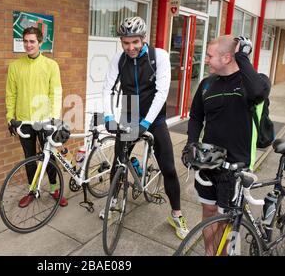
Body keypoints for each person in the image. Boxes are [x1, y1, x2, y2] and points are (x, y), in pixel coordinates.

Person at [101, 16, 189, 240]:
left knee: (168, 166)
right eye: (125, 43)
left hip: (155, 117)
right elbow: (107, 88)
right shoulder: (119, 59)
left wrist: (146, 123)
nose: (130, 48)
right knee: (118, 162)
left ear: (143, 39)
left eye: (135, 42)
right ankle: (113, 204)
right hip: (129, 112)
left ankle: (176, 215)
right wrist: (109, 116)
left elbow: (161, 93)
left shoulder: (158, 57)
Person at [182, 35, 271, 254]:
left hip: (236, 165)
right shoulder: (206, 84)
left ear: (227, 57)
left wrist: (243, 56)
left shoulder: (252, 82)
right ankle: (210, 252)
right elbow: (195, 117)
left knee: (228, 219)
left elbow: (259, 93)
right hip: (209, 160)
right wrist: (191, 143)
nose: (206, 60)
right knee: (209, 210)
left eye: (210, 56)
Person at [6, 26, 67, 208]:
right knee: (29, 157)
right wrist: (10, 118)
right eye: (25, 41)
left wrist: (54, 120)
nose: (28, 45)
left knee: (49, 157)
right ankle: (33, 190)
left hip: (45, 121)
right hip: (24, 121)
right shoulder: (15, 66)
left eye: (32, 41)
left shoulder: (51, 65)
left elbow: (55, 93)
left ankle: (55, 189)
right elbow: (11, 94)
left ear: (40, 43)